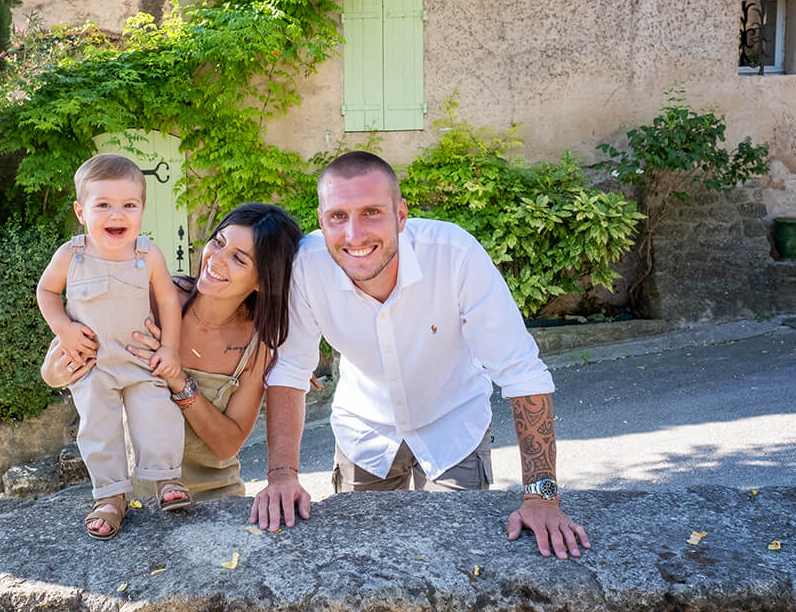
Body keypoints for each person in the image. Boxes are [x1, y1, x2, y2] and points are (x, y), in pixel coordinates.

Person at [249, 150, 591, 560]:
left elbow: (521, 371)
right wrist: (282, 475)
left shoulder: (455, 255)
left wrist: (542, 498)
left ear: (401, 214)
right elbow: (289, 368)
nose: (354, 235)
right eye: (338, 216)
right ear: (322, 221)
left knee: (457, 560)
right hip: (364, 430)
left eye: (372, 212)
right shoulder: (307, 265)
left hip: (453, 427)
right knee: (362, 563)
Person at [42, 202, 303, 539]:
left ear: (263, 282)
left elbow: (227, 445)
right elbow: (56, 367)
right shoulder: (155, 301)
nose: (216, 259)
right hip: (139, 500)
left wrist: (178, 380)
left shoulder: (259, 343)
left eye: (239, 258)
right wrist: (59, 369)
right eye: (219, 242)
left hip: (216, 498)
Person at [37, 153, 189, 540]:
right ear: (81, 211)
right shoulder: (71, 255)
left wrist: (169, 349)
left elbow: (169, 302)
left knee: (157, 413)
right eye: (102, 204)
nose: (116, 214)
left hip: (139, 357)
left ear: (142, 210)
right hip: (92, 363)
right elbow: (47, 292)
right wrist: (64, 329)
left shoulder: (147, 253)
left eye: (128, 205)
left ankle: (165, 479)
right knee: (98, 427)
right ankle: (110, 496)